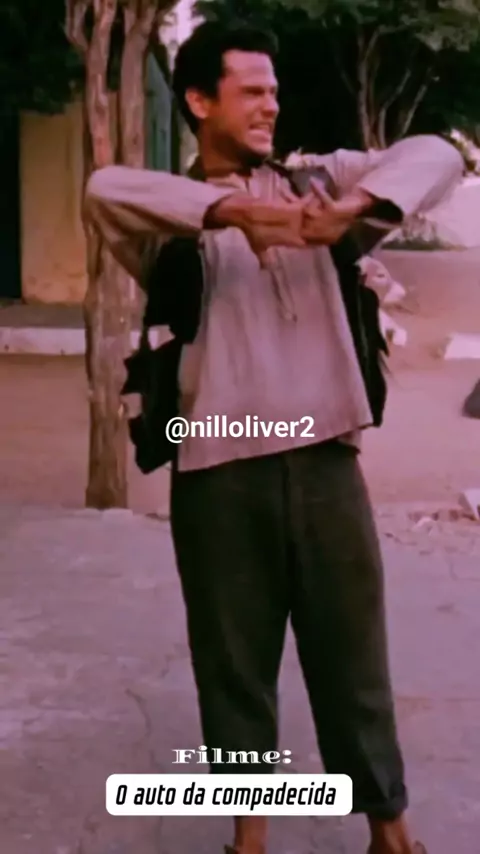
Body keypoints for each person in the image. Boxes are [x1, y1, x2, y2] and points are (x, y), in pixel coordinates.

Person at [84, 21, 462, 854]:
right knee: (235, 666)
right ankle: (248, 840)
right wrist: (234, 213)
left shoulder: (321, 183)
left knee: (353, 661)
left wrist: (349, 212)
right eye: (251, 91)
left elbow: (438, 152)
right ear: (198, 100)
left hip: (325, 461)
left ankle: (390, 833)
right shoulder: (170, 214)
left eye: (274, 91)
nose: (270, 105)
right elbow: (102, 189)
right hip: (218, 472)